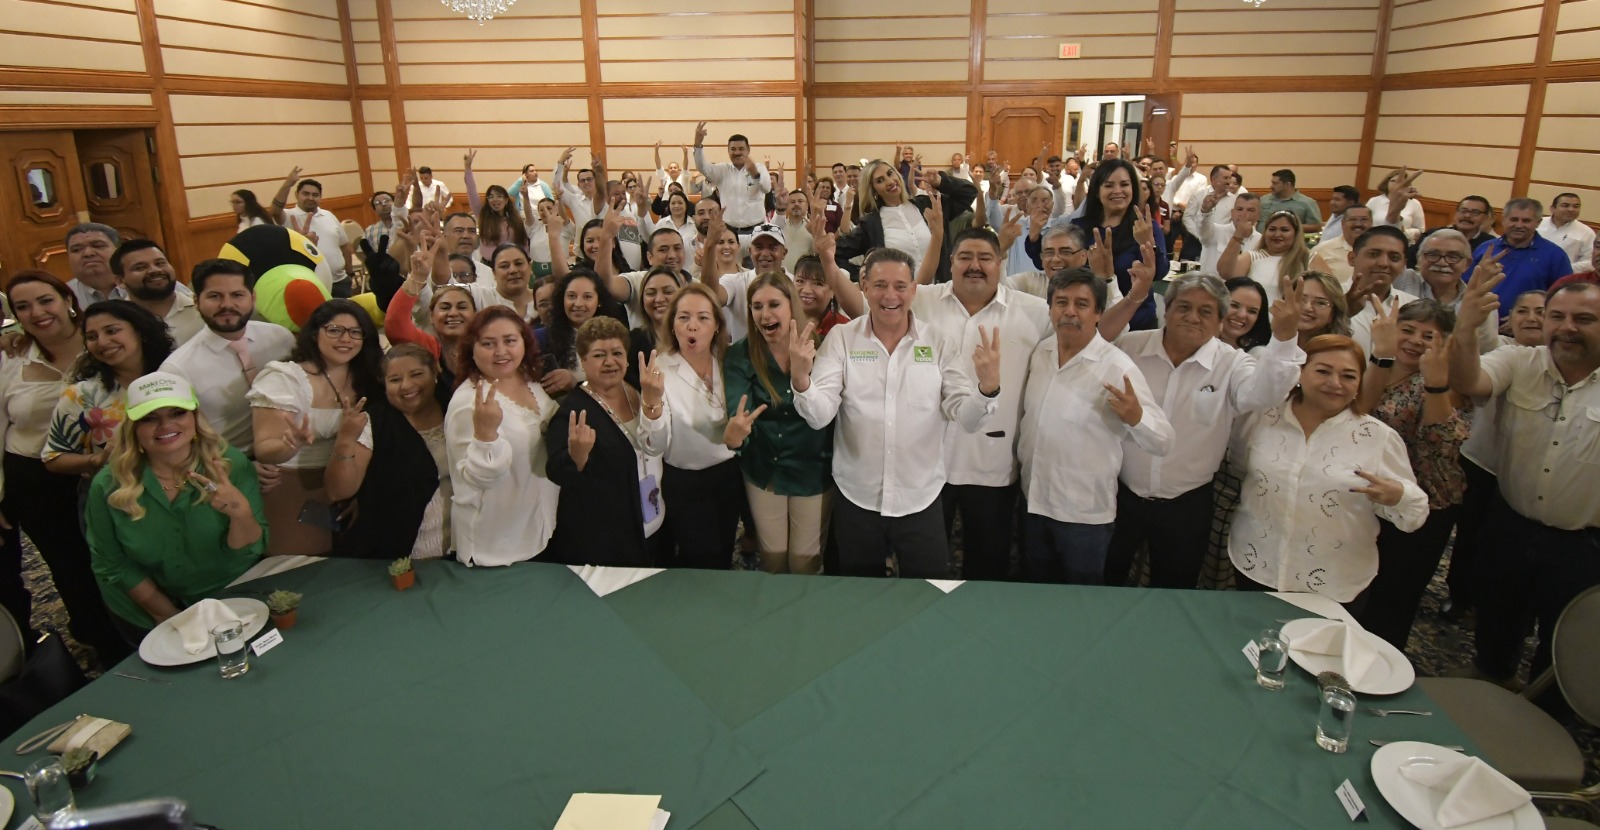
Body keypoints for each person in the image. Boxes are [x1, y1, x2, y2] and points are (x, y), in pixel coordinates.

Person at [792, 248, 1002, 579]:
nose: (890, 295)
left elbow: (967, 417)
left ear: (914, 290)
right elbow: (819, 416)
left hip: (921, 497)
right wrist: (802, 380)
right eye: (880, 285)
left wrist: (987, 389)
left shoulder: (938, 342)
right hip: (857, 496)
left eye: (900, 286)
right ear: (863, 286)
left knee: (928, 594)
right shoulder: (842, 339)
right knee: (859, 595)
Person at [1447, 269, 1600, 689]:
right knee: (1499, 609)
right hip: (1511, 521)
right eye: (1557, 317)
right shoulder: (1519, 360)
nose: (1566, 328)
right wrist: (1465, 325)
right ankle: (1491, 673)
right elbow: (1466, 380)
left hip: (1584, 542)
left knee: (1565, 635)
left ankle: (1549, 712)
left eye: (1584, 319)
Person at [1102, 272, 1303, 589]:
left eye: (1206, 311)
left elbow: (1264, 393)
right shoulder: (1130, 348)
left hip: (1186, 506)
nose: (1192, 317)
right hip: (1119, 496)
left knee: (1175, 588)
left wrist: (1285, 338)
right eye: (1183, 307)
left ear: (1221, 321)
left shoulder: (1233, 364)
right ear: (1166, 310)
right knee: (1104, 580)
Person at [1229, 335, 1428, 607]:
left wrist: (1399, 496)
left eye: (1348, 376)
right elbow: (1240, 466)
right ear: (1300, 372)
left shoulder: (1377, 438)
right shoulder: (1263, 417)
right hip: (1257, 564)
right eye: (1323, 371)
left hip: (1333, 582)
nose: (1335, 383)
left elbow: (1415, 513)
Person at [0, 272, 128, 664]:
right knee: (69, 565)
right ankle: (101, 643)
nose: (36, 313)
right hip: (34, 479)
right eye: (23, 307)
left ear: (67, 300)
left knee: (116, 556)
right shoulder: (11, 356)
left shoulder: (101, 341)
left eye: (45, 300)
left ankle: (134, 631)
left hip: (101, 471)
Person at [1018, 268, 1173, 585]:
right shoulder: (1042, 353)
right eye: (1061, 302)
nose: (1070, 311)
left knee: (1082, 604)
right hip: (1032, 503)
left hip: (1082, 517)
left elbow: (1164, 441)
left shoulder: (1116, 366)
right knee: (1033, 591)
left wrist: (1136, 417)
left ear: (1099, 312)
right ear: (1050, 308)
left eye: (1081, 304)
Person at [85, 372, 264, 638]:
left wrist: (240, 514)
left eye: (177, 413)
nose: (165, 425)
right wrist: (172, 619)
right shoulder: (108, 485)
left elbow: (247, 552)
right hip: (148, 611)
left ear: (194, 418)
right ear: (133, 428)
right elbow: (112, 564)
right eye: (149, 418)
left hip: (232, 597)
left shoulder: (229, 465)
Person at [1356, 299, 1471, 650]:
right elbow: (1358, 414)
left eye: (1428, 335)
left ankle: (1384, 664)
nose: (1415, 341)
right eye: (1407, 330)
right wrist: (1382, 355)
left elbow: (1441, 444)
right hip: (1370, 497)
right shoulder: (1372, 366)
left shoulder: (1444, 381)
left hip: (1425, 503)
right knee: (1363, 582)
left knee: (1397, 595)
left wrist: (1436, 385)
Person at [247, 299, 381, 557]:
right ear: (314, 333)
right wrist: (291, 443)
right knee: (298, 573)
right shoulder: (284, 377)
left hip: (350, 489)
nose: (346, 339)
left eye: (355, 332)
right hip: (292, 487)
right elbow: (265, 449)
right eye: (334, 330)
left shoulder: (370, 377)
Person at [1442, 288, 1545, 620]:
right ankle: (1460, 596)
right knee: (1470, 535)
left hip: (1529, 475)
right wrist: (1472, 315)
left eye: (1542, 312)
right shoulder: (1502, 352)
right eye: (1522, 311)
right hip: (1482, 462)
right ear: (1509, 319)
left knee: (1513, 549)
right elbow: (1474, 359)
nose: (1531, 318)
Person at [724, 272, 833, 574]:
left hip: (813, 468)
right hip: (764, 469)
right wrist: (735, 437)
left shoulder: (824, 348)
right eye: (757, 307)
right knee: (772, 556)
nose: (765, 314)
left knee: (805, 559)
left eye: (774, 304)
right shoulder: (739, 355)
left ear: (791, 306)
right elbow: (739, 414)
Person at [544, 316, 669, 566]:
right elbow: (556, 471)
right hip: (610, 538)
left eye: (617, 353)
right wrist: (576, 458)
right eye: (599, 355)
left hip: (654, 517)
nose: (610, 362)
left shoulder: (638, 386)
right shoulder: (572, 413)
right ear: (583, 360)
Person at [445, 309, 561, 566]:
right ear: (471, 350)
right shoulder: (470, 402)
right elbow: (476, 480)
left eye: (510, 340)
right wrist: (486, 436)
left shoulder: (528, 380)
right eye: (488, 343)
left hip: (539, 527)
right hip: (496, 546)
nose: (501, 352)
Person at [324, 344, 451, 561]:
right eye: (395, 379)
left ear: (435, 373)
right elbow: (339, 492)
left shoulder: (455, 406)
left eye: (417, 374)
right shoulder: (373, 422)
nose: (407, 385)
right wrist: (345, 440)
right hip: (398, 554)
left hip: (460, 547)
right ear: (384, 385)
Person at [160, 259, 295, 455]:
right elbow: (178, 437)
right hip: (227, 462)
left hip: (290, 447)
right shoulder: (177, 369)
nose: (227, 305)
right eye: (215, 296)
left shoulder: (281, 337)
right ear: (196, 302)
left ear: (253, 297)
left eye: (237, 295)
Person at [44, 302, 175, 496]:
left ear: (140, 331)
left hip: (181, 488)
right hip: (114, 495)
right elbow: (53, 458)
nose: (102, 342)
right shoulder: (83, 394)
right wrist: (95, 460)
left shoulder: (175, 376)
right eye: (92, 337)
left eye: (112, 331)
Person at [653, 284, 742, 569]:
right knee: (701, 559)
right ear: (673, 325)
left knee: (725, 550)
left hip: (729, 475)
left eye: (703, 318)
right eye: (683, 318)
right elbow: (654, 444)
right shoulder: (660, 369)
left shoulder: (729, 362)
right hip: (685, 482)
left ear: (716, 325)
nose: (693, 326)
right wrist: (650, 403)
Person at [833, 160, 977, 283]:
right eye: (880, 180)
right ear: (874, 190)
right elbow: (835, 254)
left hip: (940, 294)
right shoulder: (871, 224)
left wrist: (942, 182)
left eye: (890, 174)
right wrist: (865, 276)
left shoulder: (928, 205)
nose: (889, 182)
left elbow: (969, 192)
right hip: (899, 302)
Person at [1072, 158, 1169, 330]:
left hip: (1136, 322)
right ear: (1097, 191)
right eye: (1108, 185)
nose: (1118, 191)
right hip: (1090, 322)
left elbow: (1159, 272)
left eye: (1124, 184)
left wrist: (1148, 243)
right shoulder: (1080, 227)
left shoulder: (1145, 226)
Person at [387, 238, 477, 390]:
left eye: (462, 307)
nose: (453, 313)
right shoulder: (428, 347)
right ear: (431, 317)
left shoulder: (487, 345)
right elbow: (395, 325)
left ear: (475, 315)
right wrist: (417, 277)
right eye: (445, 308)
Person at [1393, 229, 1501, 354]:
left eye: (1453, 256)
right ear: (1419, 259)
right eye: (1433, 254)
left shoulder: (1482, 301)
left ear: (1467, 264)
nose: (1442, 262)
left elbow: (1484, 351)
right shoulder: (1402, 280)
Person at [1463, 198, 1572, 320]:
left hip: (1527, 326)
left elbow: (1564, 298)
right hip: (1479, 321)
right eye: (1514, 219)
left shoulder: (1555, 255)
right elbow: (1465, 285)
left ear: (1538, 222)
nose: (1519, 225)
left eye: (1526, 221)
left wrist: (1522, 318)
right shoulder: (1486, 248)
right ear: (1504, 220)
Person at [545, 269, 629, 396]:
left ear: (599, 301)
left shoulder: (615, 336)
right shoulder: (544, 338)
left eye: (587, 297)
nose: (578, 304)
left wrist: (575, 383)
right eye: (571, 296)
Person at [272, 173, 356, 297]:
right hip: (310, 285)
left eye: (315, 195)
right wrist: (287, 184)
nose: (310, 198)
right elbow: (275, 211)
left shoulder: (328, 215)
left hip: (340, 283)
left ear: (320, 197)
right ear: (297, 195)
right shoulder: (289, 216)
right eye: (305, 194)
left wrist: (350, 273)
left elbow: (344, 246)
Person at [109, 239, 203, 345]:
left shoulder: (204, 310)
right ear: (120, 281)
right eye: (140, 267)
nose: (155, 270)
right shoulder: (115, 322)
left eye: (160, 263)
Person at [693, 124, 771, 251]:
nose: (737, 152)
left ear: (748, 150)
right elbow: (702, 167)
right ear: (728, 151)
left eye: (741, 149)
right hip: (728, 233)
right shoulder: (723, 170)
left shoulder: (759, 168)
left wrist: (755, 174)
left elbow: (766, 188)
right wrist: (697, 144)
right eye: (733, 149)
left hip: (755, 232)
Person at [1219, 209, 1310, 303]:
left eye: (1284, 230)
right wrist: (1238, 236)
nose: (1277, 234)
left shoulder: (1307, 258)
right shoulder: (1253, 257)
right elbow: (1225, 272)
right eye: (1272, 229)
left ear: (1296, 234)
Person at [624, 267, 681, 390]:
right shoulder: (632, 342)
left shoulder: (694, 336)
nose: (659, 299)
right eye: (651, 293)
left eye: (668, 292)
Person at [1407, 196, 1497, 269]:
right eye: (1463, 210)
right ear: (1456, 213)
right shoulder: (1435, 235)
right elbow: (1409, 258)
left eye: (1475, 212)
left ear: (1485, 218)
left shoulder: (1490, 244)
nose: (1467, 215)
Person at [1309, 205, 1373, 289]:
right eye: (1352, 219)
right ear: (1342, 223)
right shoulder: (1321, 250)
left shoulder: (1380, 250)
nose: (1358, 224)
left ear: (1371, 223)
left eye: (1364, 219)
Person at [64, 223, 126, 309]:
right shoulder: (63, 295)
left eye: (98, 246)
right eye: (76, 249)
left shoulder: (140, 284)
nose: (88, 253)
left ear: (119, 251)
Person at [791, 254, 848, 338]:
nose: (806, 290)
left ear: (833, 290)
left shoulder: (845, 328)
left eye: (818, 283)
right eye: (800, 281)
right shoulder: (781, 319)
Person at [1537, 192, 1594, 274]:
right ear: (1552, 208)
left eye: (1576, 206)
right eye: (1565, 205)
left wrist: (1563, 268)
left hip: (1565, 277)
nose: (1571, 210)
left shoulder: (1586, 232)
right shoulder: (1538, 224)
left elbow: (1590, 261)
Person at [1257, 169, 1322, 233]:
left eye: (1275, 183)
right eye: (1272, 183)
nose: (1271, 186)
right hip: (1261, 241)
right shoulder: (1263, 200)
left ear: (1288, 184)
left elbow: (1317, 226)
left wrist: (1290, 227)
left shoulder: (1307, 203)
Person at [1219, 277, 1273, 351]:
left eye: (1252, 311)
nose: (1241, 315)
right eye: (1234, 305)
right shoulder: (1198, 342)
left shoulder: (1258, 355)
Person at [1366, 168, 1426, 233]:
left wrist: (1405, 232)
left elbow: (1421, 230)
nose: (1397, 184)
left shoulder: (1415, 203)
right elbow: (1365, 222)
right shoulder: (1374, 201)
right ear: (1386, 183)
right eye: (1393, 181)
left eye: (1401, 182)